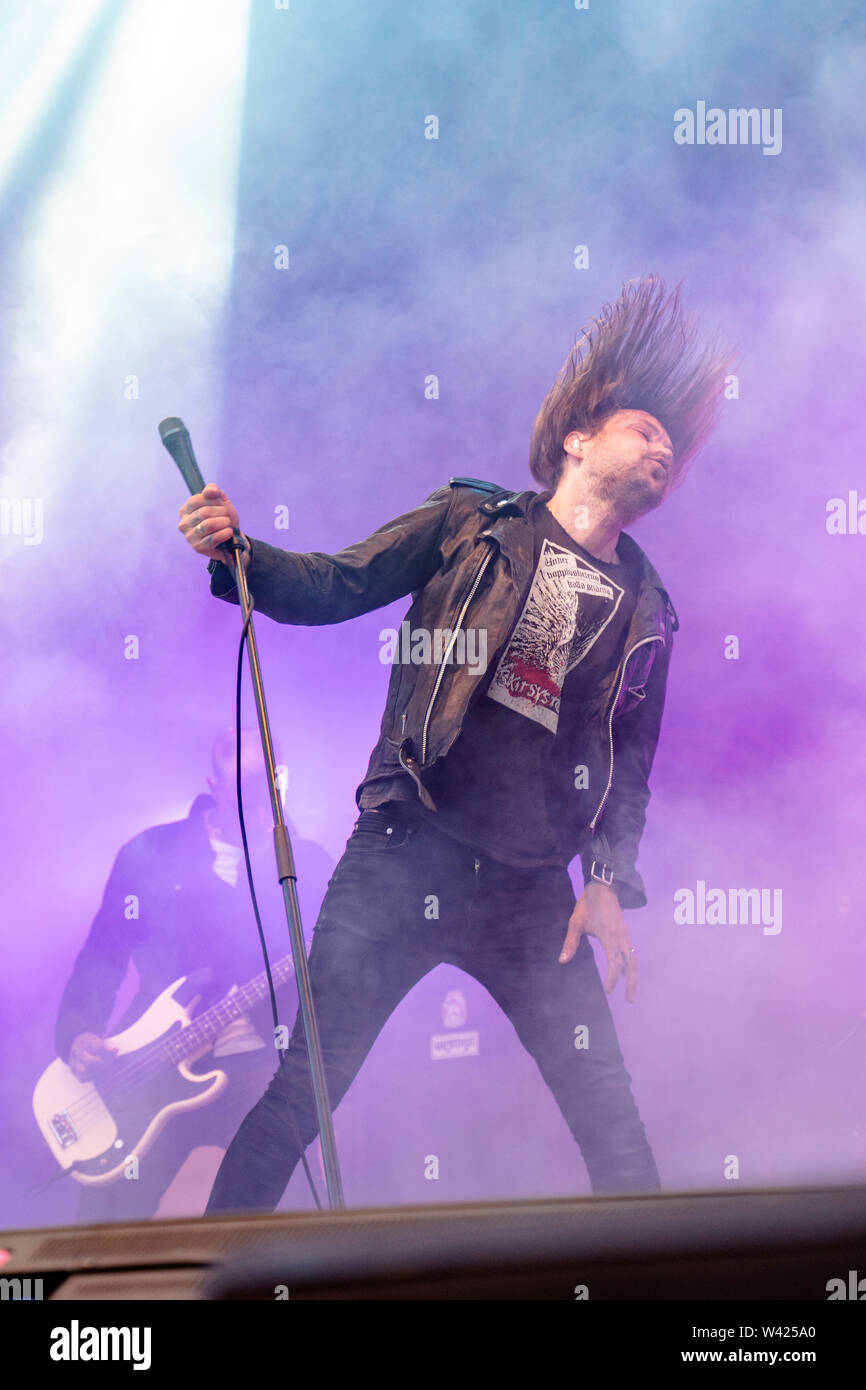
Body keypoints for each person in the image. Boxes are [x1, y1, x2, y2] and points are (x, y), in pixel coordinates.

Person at [177, 274, 736, 1212]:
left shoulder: (652, 613)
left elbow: (629, 770)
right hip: (405, 848)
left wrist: (606, 880)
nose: (663, 451)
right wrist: (240, 551)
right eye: (646, 431)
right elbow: (330, 584)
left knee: (612, 1117)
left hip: (528, 893)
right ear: (577, 438)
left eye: (672, 451)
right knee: (301, 1092)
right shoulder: (468, 522)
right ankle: (210, 1277)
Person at [53, 731, 333, 1221]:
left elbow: (332, 980)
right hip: (157, 1064)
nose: (263, 795)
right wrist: (77, 1031)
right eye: (246, 783)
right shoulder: (152, 856)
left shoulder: (306, 865)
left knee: (283, 1215)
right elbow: (102, 956)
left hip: (261, 1071)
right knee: (108, 1217)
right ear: (215, 785)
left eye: (274, 781)